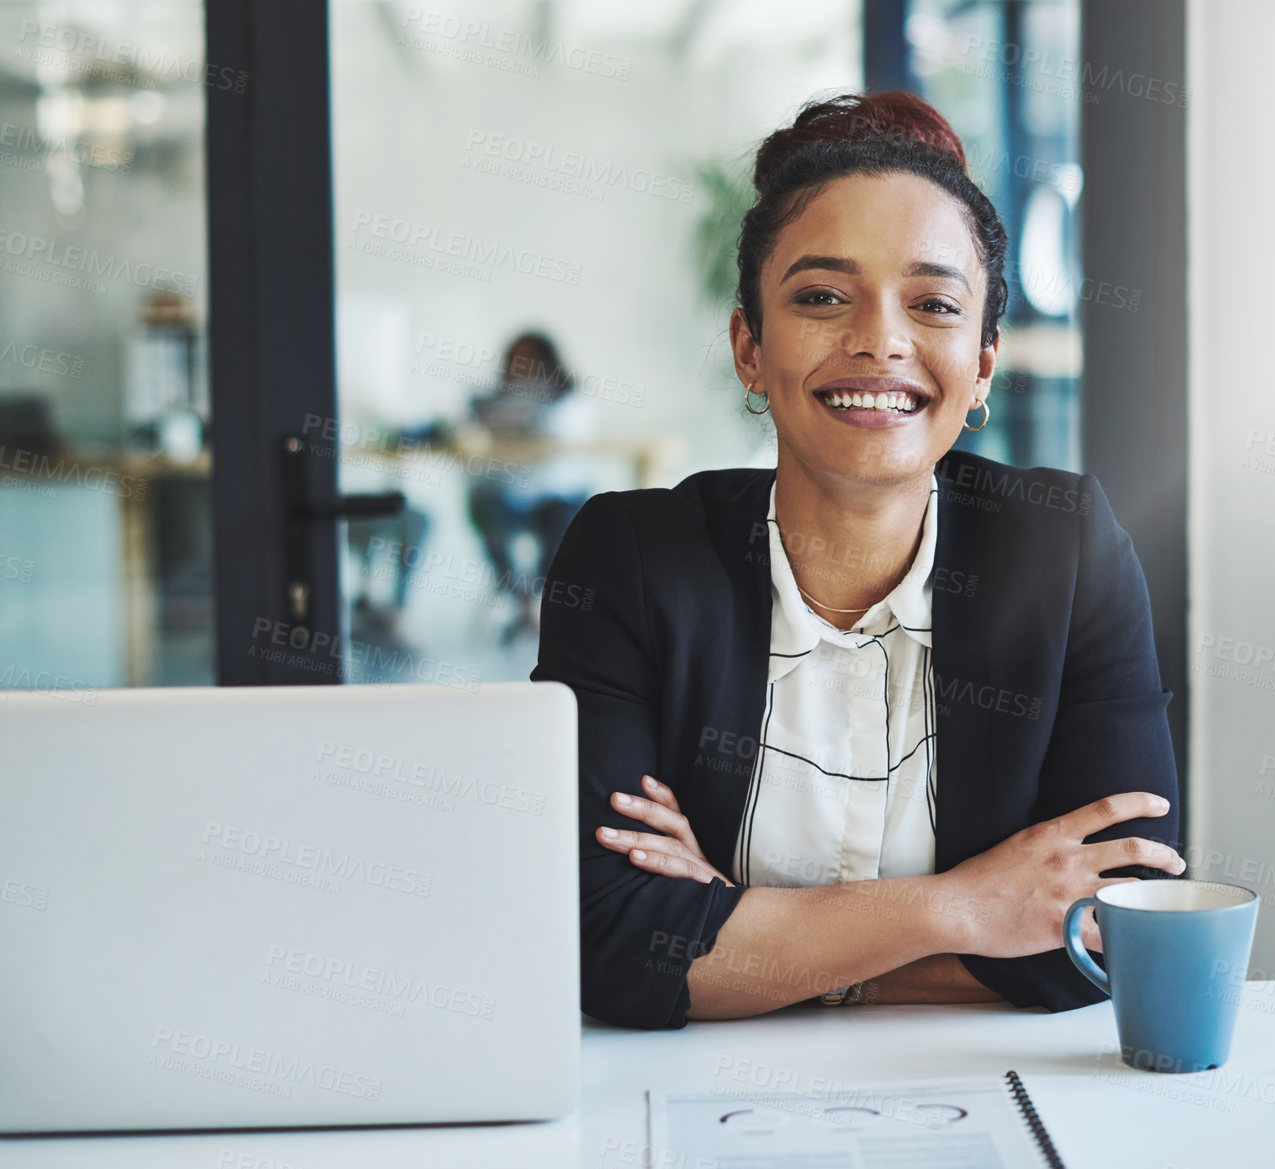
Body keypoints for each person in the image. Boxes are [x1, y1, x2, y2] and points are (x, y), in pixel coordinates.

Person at [531, 92, 1183, 1031]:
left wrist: (740, 928)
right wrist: (968, 908)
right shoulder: (633, 558)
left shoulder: (1066, 550)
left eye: (934, 304)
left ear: (985, 360)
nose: (880, 341)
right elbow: (605, 941)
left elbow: (1113, 935)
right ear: (750, 347)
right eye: (822, 297)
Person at [467, 331, 594, 646]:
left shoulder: (568, 397)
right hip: (508, 495)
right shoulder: (490, 398)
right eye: (518, 357)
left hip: (556, 494)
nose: (524, 365)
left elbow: (569, 433)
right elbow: (471, 439)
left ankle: (540, 598)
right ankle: (519, 599)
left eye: (532, 357)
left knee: (564, 524)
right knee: (486, 510)